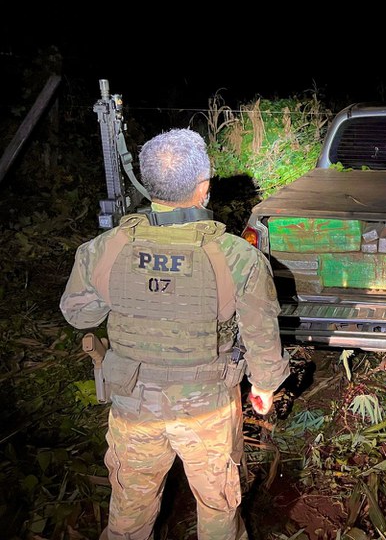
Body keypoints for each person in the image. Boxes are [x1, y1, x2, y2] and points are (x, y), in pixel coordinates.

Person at [60, 128, 291, 540]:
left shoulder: (103, 249)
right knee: (218, 508)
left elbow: (79, 315)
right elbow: (261, 334)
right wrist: (264, 385)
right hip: (210, 409)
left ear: (148, 186)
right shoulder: (239, 258)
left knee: (130, 512)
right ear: (203, 187)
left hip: (133, 407)